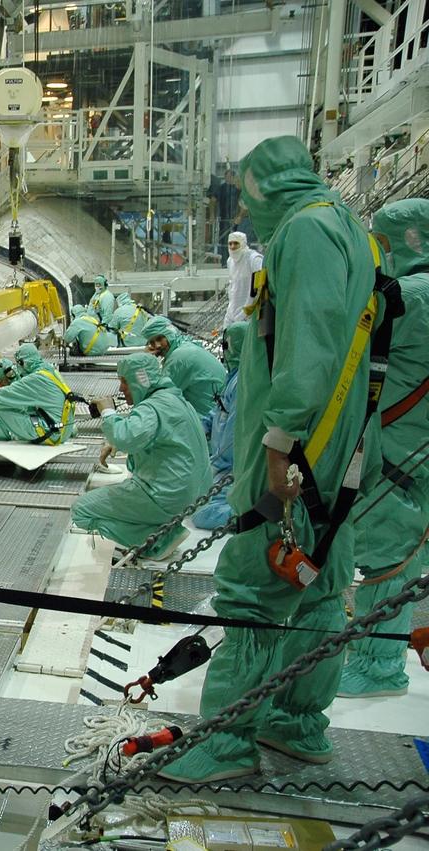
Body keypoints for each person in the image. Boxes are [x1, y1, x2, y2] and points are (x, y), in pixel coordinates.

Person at [159, 136, 382, 783]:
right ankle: (296, 722)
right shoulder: (349, 228)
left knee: (252, 593)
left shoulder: (305, 234)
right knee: (317, 588)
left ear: (269, 186)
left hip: (298, 451)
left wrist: (281, 439)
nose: (248, 214)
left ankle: (224, 746)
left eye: (249, 195)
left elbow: (306, 345)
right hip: (339, 448)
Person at [338, 199, 429, 699]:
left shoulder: (411, 297)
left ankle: (379, 666)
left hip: (399, 457)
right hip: (410, 447)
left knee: (390, 558)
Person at [70, 353, 212, 560]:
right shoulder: (172, 399)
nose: (121, 389)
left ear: (140, 378)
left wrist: (108, 412)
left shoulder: (153, 407)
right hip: (195, 492)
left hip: (168, 496)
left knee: (81, 511)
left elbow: (127, 437)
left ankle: (159, 540)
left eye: (125, 382)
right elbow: (159, 436)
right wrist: (115, 441)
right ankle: (161, 529)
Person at [193, 322, 247, 530]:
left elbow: (232, 436)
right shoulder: (234, 377)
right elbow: (217, 413)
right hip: (223, 466)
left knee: (202, 513)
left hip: (232, 470)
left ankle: (253, 518)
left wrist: (215, 463)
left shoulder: (242, 381)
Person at [0, 343, 79, 445]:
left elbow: (7, 394)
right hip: (62, 429)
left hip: (51, 433)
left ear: (23, 362)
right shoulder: (50, 371)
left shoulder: (36, 379)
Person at [140, 315, 226, 416]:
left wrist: (143, 362)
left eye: (159, 338)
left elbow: (157, 399)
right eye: (152, 343)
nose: (157, 345)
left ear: (169, 334)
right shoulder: (186, 346)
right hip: (217, 417)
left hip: (208, 422)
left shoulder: (179, 358)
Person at [224, 231, 264, 328]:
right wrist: (230, 313)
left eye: (236, 243)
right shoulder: (230, 261)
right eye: (230, 244)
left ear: (243, 243)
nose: (232, 247)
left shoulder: (254, 259)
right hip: (232, 314)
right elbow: (232, 288)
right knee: (226, 340)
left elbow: (259, 288)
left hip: (250, 315)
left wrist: (247, 311)